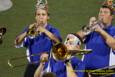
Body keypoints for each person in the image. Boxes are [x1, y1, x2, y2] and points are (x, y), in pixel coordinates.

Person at [14, 0, 62, 77]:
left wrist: (45, 31)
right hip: (32, 66)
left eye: (43, 14)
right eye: (38, 14)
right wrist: (27, 32)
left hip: (47, 67)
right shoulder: (30, 28)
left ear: (48, 17)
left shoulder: (53, 30)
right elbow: (17, 42)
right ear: (35, 16)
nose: (41, 17)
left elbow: (58, 42)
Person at [76, 3, 115, 77]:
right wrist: (89, 26)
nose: (101, 14)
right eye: (100, 12)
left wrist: (101, 31)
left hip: (105, 73)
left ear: (112, 17)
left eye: (105, 12)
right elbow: (75, 38)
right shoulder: (92, 29)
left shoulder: (113, 30)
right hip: (85, 72)